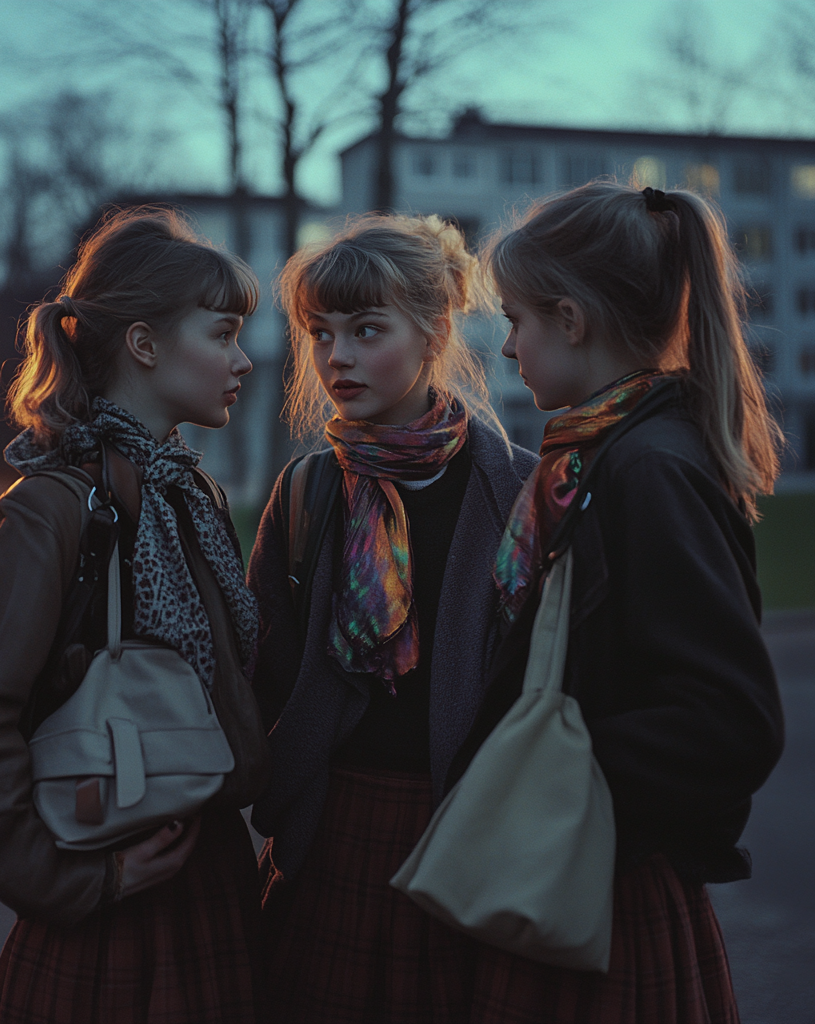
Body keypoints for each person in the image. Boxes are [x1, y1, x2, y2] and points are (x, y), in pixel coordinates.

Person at [445, 181, 785, 1023]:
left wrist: (557, 783)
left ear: (572, 319)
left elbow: (729, 719)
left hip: (603, 890)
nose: (508, 346)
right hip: (575, 879)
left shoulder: (647, 468)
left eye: (518, 320)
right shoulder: (600, 453)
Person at [0, 208, 265, 1024]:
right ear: (143, 346)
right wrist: (78, 883)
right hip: (109, 912)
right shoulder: (50, 507)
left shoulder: (190, 493)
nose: (243, 360)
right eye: (220, 335)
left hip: (210, 880)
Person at [246, 214, 539, 1023]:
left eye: (366, 330)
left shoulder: (519, 491)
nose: (337, 356)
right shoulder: (306, 493)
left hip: (469, 837)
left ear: (435, 331)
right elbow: (258, 671)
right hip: (332, 836)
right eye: (320, 332)